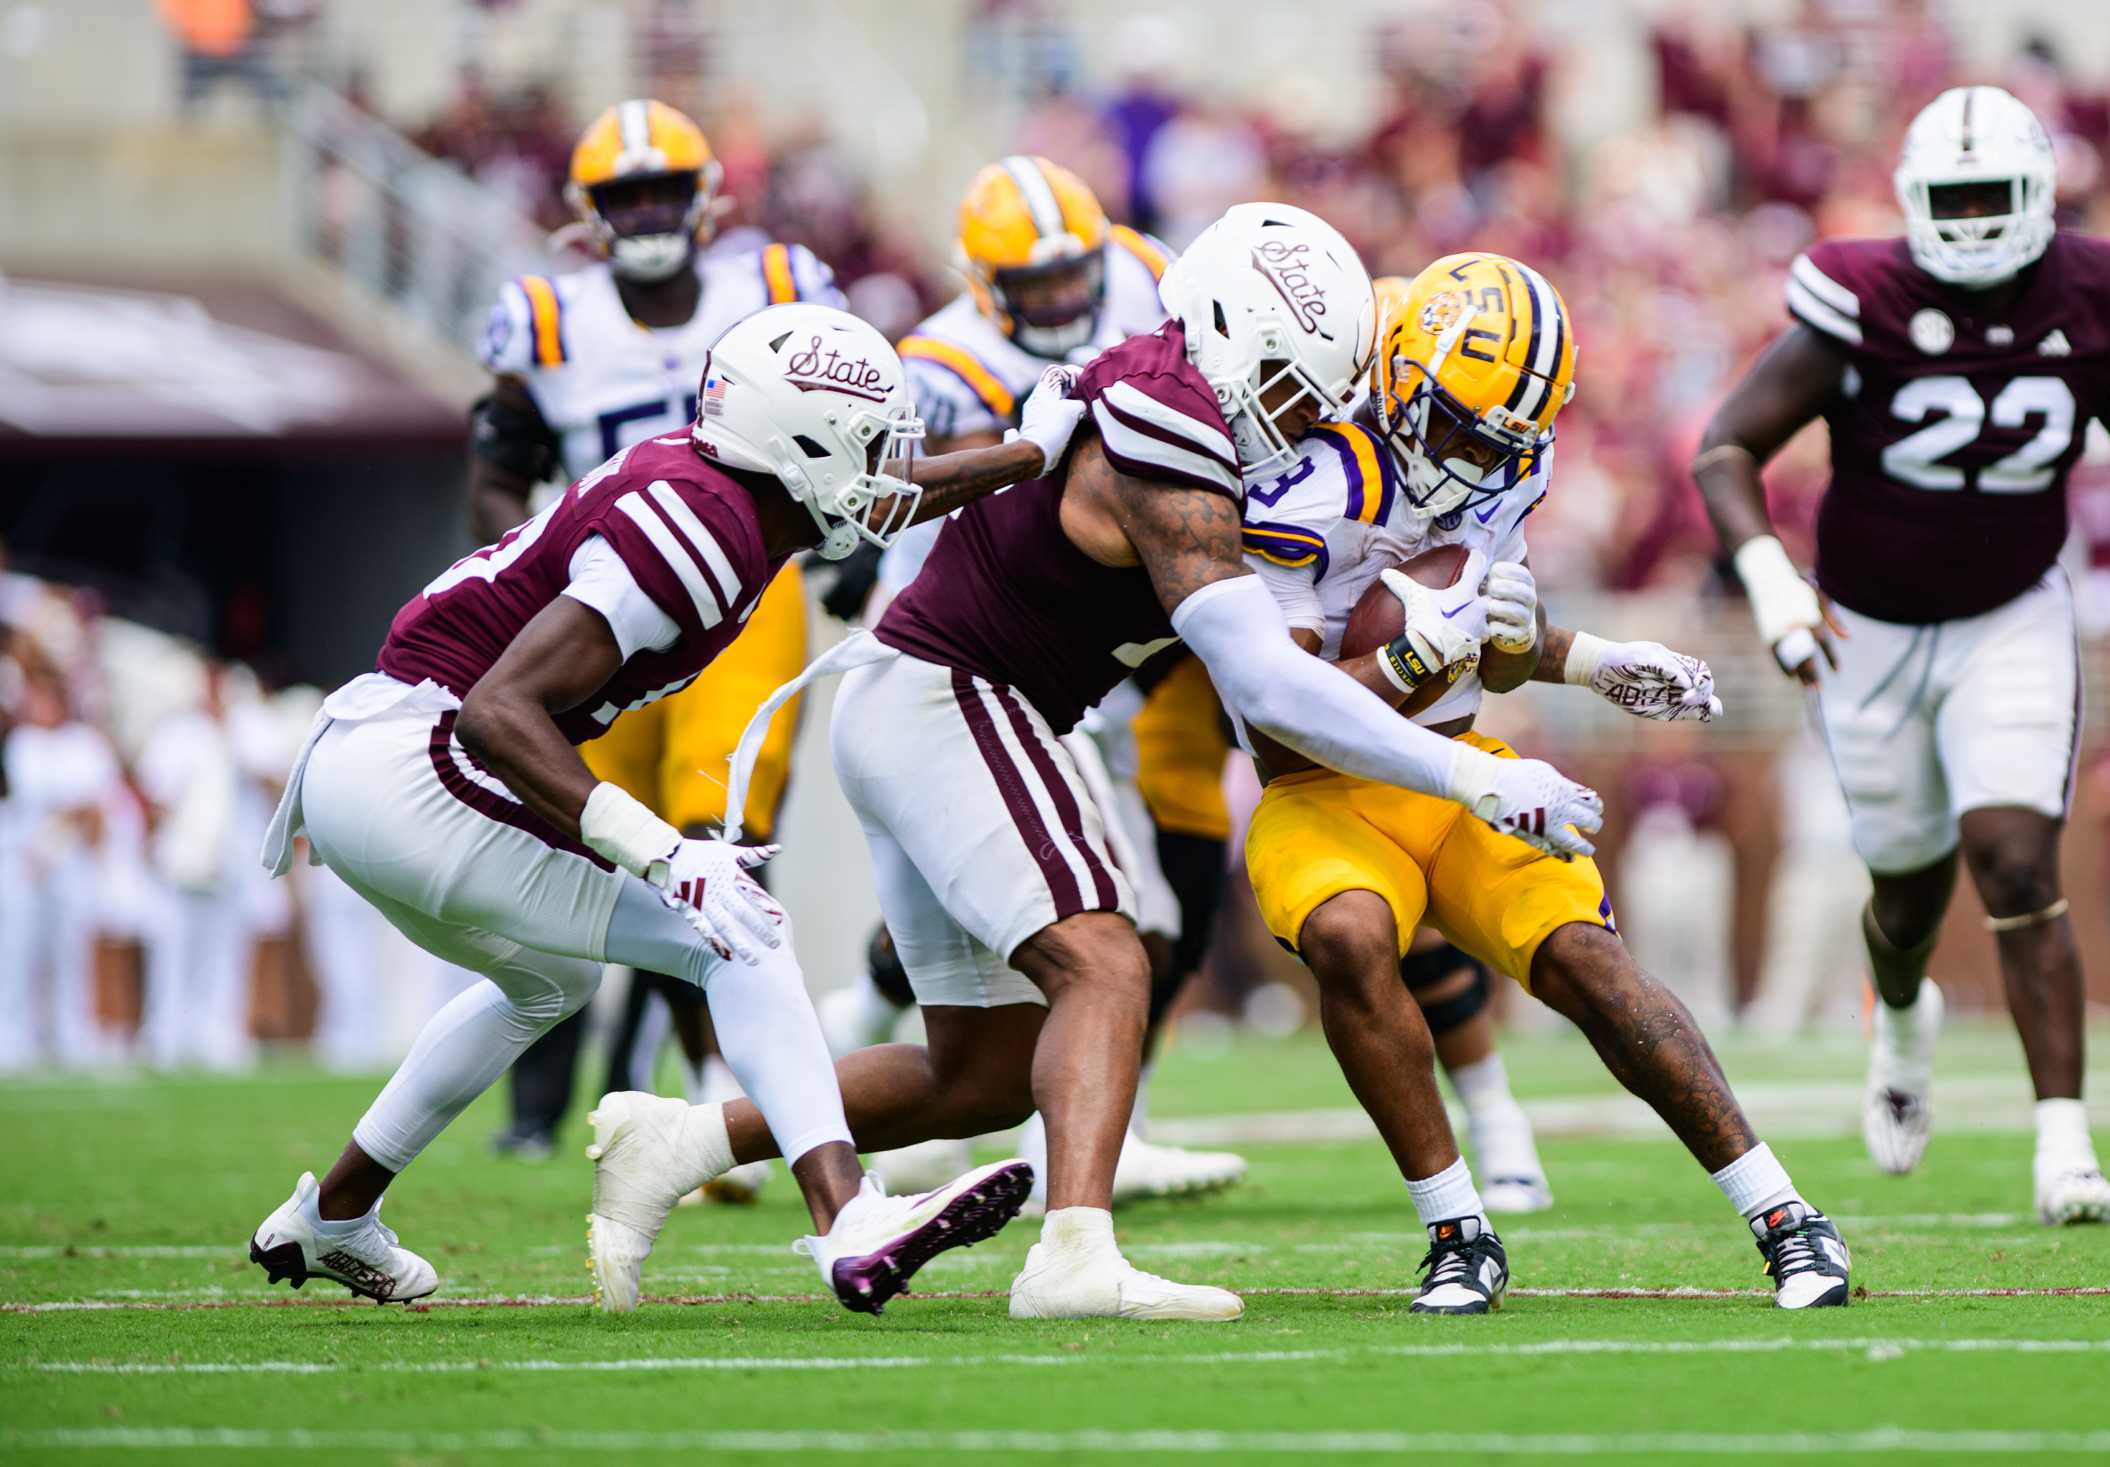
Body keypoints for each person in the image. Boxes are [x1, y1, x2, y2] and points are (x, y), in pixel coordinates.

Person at [591, 203, 1607, 1323]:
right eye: (1289, 390)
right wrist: (1470, 774)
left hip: (933, 699)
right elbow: (1264, 687)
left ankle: (681, 1141)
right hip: (959, 694)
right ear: (1226, 340)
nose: (1306, 419)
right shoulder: (1175, 436)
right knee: (1107, 958)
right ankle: (1073, 1253)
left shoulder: (1151, 374)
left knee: (977, 1073)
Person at [247, 302, 1087, 1312]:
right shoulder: (698, 523)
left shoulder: (742, 495)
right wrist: (661, 853)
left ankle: (335, 1214)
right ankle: (846, 1217)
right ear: (802, 443)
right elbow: (497, 713)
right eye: (863, 438)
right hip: (415, 761)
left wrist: (1028, 452)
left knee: (545, 983)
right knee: (734, 926)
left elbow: (875, 495)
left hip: (369, 765)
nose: (882, 462)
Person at [1237, 252, 1848, 1313]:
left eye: (1498, 441)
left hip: (1462, 770)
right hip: (1322, 792)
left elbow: (1491, 643)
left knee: (1591, 965)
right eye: (1460, 428)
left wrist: (1593, 661)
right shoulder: (1306, 484)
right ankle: (1456, 1233)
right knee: (1347, 937)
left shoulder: (1507, 464)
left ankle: (1784, 1214)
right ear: (1395, 372)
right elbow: (1278, 719)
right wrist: (1410, 665)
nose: (1475, 460)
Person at [1693, 85, 2110, 1225]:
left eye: (1991, 198)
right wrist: (1772, 578)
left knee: (2015, 858)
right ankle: (1902, 1018)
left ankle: (2061, 1143)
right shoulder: (1861, 295)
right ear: (1913, 203)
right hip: (1863, 627)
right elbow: (1728, 447)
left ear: (2037, 198)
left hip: (2010, 611)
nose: (1969, 222)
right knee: (1907, 893)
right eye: (1949, 200)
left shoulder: (2096, 292)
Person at [817, 156, 1242, 1203]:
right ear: (984, 281)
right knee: (1110, 922)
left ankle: (756, 1112)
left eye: (1072, 276)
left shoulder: (1154, 273)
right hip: (967, 647)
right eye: (1034, 286)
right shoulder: (939, 359)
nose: (1061, 301)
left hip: (1055, 651)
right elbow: (894, 497)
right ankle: (1093, 1153)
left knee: (1046, 940)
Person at [468, 99, 838, 1187]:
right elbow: (498, 462)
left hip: (741, 598)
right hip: (599, 609)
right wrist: (508, 576)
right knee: (602, 856)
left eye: (661, 189)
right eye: (624, 195)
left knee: (705, 840)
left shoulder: (777, 288)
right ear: (588, 211)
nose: (644, 211)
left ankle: (717, 1101)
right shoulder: (545, 318)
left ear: (702, 195)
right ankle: (676, 1089)